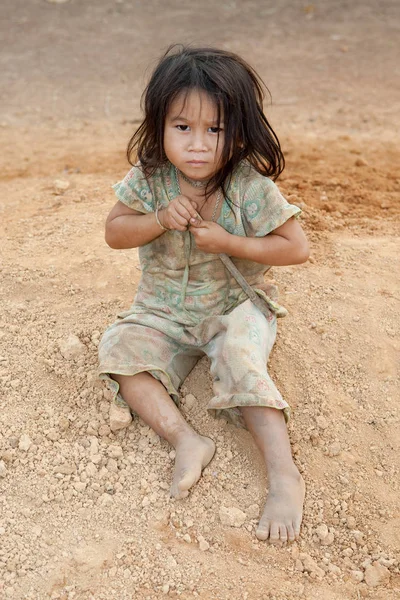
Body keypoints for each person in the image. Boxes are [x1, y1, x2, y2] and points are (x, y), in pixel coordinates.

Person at [98, 45, 309, 543]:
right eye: (182, 127)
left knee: (240, 356)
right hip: (162, 308)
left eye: (215, 130)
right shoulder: (148, 179)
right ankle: (186, 440)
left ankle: (284, 476)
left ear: (239, 130)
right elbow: (113, 232)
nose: (198, 145)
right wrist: (155, 220)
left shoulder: (246, 185)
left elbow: (296, 248)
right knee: (120, 348)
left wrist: (230, 241)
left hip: (233, 307)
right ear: (159, 126)